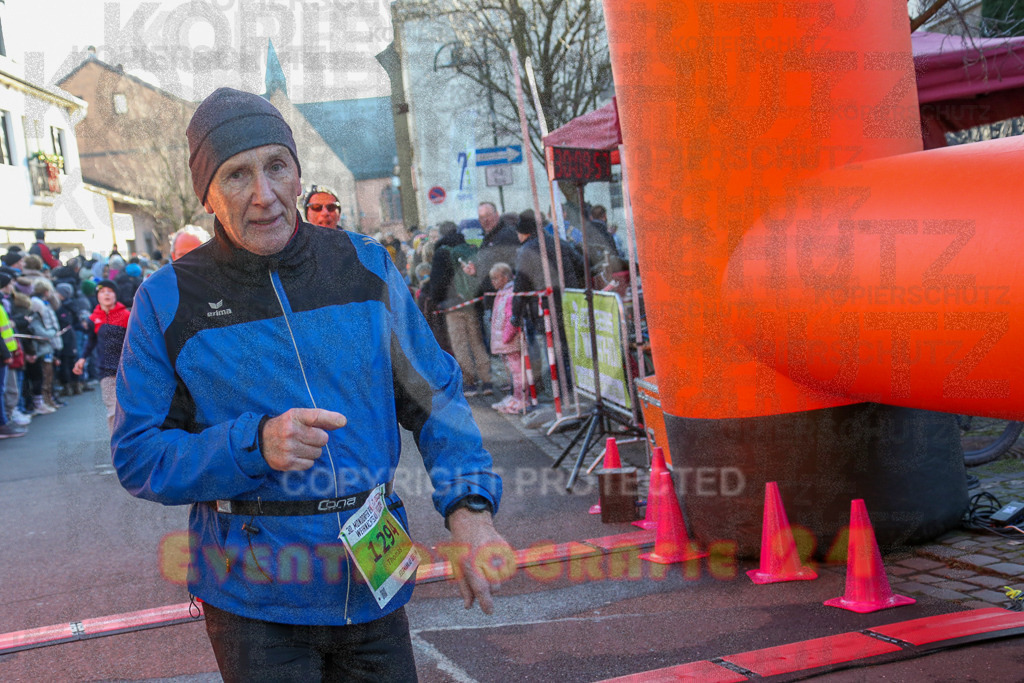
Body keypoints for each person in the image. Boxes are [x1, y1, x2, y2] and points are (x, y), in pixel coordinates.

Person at [110, 87, 508, 681]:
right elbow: (138, 455)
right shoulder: (167, 299)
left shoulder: (365, 264)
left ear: (299, 174)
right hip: (254, 596)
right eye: (238, 175)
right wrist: (254, 444)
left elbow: (436, 397)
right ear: (207, 196)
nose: (265, 195)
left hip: (372, 570)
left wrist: (470, 508)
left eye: (277, 166)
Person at [428, 221, 493, 397]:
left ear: (441, 233)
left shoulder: (442, 253)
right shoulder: (469, 248)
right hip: (472, 303)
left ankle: (469, 382)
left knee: (460, 344)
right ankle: (487, 381)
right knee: (477, 342)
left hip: (453, 306)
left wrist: (439, 300)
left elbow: (438, 284)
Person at [72, 280, 128, 433]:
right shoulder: (93, 319)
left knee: (129, 410)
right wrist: (82, 358)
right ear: (97, 296)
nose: (106, 294)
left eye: (110, 291)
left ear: (116, 295)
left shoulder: (126, 315)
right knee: (113, 410)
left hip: (127, 370)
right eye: (102, 292)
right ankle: (117, 448)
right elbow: (90, 341)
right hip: (106, 370)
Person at [487, 263, 524, 414]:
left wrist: (506, 337)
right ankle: (514, 396)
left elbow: (510, 317)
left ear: (505, 277)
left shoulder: (509, 294)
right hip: (504, 341)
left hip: (509, 341)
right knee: (511, 372)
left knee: (517, 372)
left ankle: (520, 399)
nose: (493, 282)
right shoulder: (502, 292)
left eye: (495, 278)